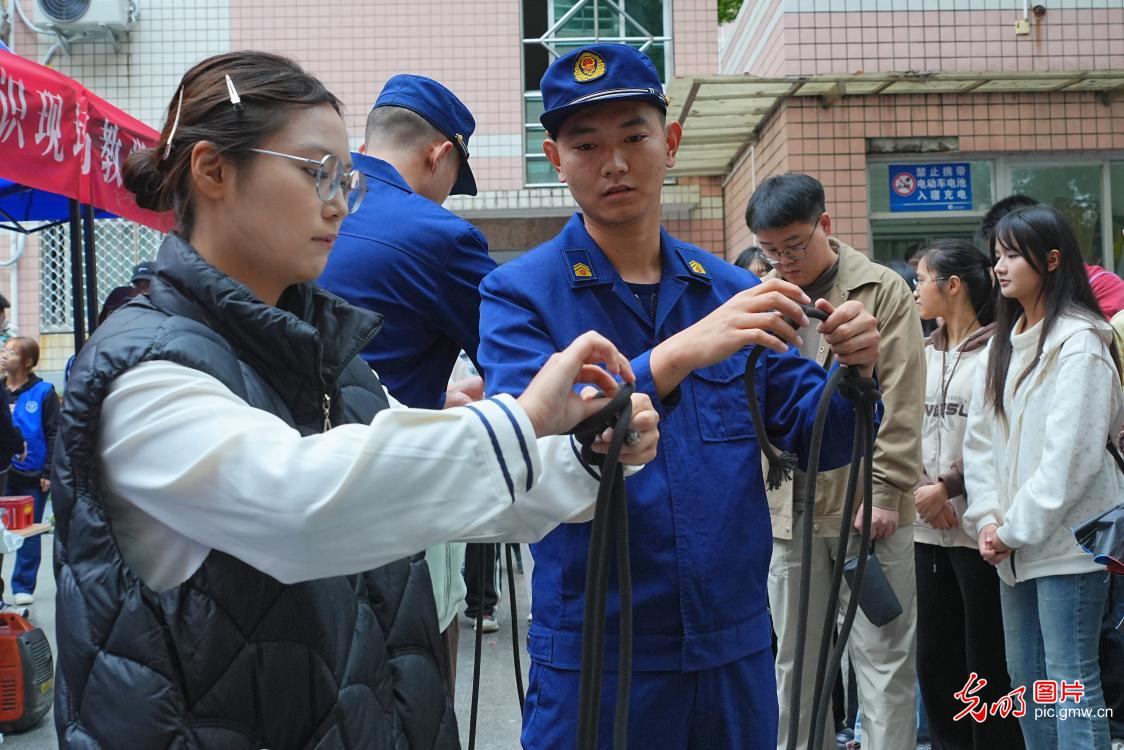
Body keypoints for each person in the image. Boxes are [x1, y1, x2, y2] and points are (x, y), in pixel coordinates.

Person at [53, 51, 660, 748]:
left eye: (347, 178)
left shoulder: (320, 352)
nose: (339, 201)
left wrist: (585, 457)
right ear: (213, 170)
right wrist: (522, 419)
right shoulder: (145, 370)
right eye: (316, 172)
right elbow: (301, 507)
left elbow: (422, 488)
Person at [478, 43, 882, 749]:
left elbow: (821, 440)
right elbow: (526, 450)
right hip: (596, 654)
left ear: (669, 142)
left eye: (634, 136)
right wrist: (676, 356)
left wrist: (857, 374)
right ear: (554, 156)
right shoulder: (520, 295)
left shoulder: (732, 292)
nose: (614, 162)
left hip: (732, 647)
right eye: (586, 144)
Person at [316, 73, 494, 672]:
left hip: (285, 481)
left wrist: (426, 394)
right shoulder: (440, 235)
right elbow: (516, 360)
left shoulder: (305, 209)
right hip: (395, 491)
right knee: (415, 674)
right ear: (439, 154)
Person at [746, 173, 924, 750]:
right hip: (788, 512)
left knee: (882, 660)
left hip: (863, 506)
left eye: (794, 246)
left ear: (825, 224)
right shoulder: (760, 297)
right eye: (771, 250)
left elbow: (899, 396)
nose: (783, 261)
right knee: (795, 665)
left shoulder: (881, 290)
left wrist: (884, 491)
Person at [963, 203, 1123, 750]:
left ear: (1052, 260)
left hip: (1069, 545)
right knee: (1030, 685)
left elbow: (1071, 457)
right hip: (1013, 546)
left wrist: (1010, 530)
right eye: (996, 256)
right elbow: (981, 442)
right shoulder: (1004, 343)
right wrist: (988, 519)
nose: (999, 268)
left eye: (1012, 255)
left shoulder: (1081, 342)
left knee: (1070, 681)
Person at [912, 239, 1024, 749]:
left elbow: (997, 438)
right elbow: (899, 426)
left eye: (921, 279)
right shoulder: (921, 352)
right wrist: (921, 488)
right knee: (935, 657)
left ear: (951, 285)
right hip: (925, 527)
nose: (915, 290)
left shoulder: (1001, 350)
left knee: (986, 658)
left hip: (977, 527)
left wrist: (947, 488)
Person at [0, 337, 59, 606]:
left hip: (34, 475)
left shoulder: (44, 392)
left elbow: (53, 432)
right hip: (5, 472)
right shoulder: (1, 390)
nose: (4, 355)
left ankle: (23, 584)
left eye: (11, 352)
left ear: (27, 361)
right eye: (4, 350)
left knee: (30, 529)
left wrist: (48, 471)